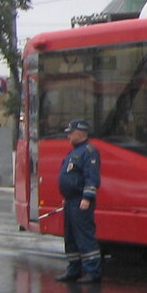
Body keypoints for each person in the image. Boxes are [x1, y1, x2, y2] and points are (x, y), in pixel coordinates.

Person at [56, 118, 102, 284]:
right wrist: (65, 198)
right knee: (71, 238)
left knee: (84, 237)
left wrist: (87, 198)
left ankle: (92, 271)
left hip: (80, 201)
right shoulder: (74, 152)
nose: (68, 136)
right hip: (70, 201)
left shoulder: (89, 152)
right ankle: (73, 269)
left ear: (79, 133)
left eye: (70, 133)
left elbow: (92, 178)